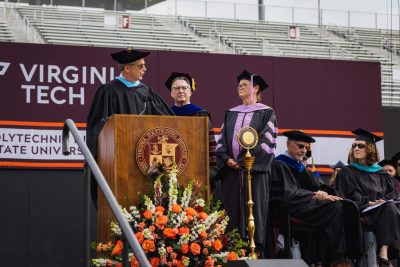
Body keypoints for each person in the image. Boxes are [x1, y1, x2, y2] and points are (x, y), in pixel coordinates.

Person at [272, 130, 362, 266]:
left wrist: (326, 193)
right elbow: (288, 193)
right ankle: (333, 259)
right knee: (335, 208)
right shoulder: (278, 164)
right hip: (290, 206)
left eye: (306, 148)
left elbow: (317, 185)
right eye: (300, 146)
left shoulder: (300, 166)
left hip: (307, 204)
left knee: (345, 205)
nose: (304, 151)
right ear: (288, 144)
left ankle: (345, 257)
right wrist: (314, 195)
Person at [213, 70, 278, 255]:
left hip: (253, 172)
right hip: (231, 172)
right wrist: (227, 160)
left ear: (255, 88)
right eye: (238, 85)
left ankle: (254, 250)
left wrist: (244, 162)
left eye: (245, 85)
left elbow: (267, 144)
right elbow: (221, 142)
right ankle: (231, 250)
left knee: (254, 209)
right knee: (231, 210)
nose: (240, 87)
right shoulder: (231, 113)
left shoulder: (267, 113)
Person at [86, 48, 175, 160]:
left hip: (144, 153)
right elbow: (97, 126)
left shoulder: (147, 92)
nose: (145, 69)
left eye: (144, 65)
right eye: (141, 66)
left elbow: (166, 118)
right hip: (117, 154)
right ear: (127, 68)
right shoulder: (108, 91)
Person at [335, 128, 400, 267]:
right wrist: (368, 203)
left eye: (360, 145)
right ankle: (383, 253)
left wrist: (382, 201)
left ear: (370, 149)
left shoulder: (381, 173)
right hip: (359, 210)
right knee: (388, 208)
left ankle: (383, 251)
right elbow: (343, 197)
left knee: (389, 206)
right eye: (354, 146)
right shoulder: (347, 172)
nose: (356, 148)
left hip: (381, 210)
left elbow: (392, 194)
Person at [164, 72, 217, 173]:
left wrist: (211, 170)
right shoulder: (166, 114)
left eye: (184, 88)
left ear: (190, 91)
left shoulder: (200, 114)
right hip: (170, 165)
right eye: (177, 88)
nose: (181, 91)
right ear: (171, 92)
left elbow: (210, 143)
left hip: (196, 165)